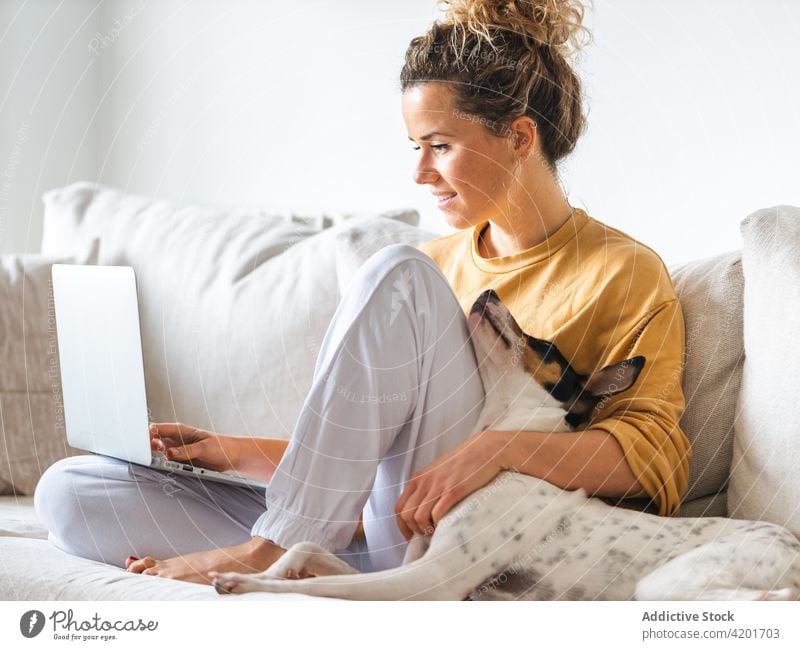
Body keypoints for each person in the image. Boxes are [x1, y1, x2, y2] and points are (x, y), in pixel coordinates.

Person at [34, 0, 691, 587]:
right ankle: (297, 552)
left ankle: (275, 550)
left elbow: (656, 458)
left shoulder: (619, 270)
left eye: (440, 145)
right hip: (373, 537)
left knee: (398, 273)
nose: (419, 173)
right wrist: (231, 450)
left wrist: (494, 450)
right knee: (70, 493)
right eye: (415, 147)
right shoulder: (441, 265)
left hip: (474, 534)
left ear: (520, 137)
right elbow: (367, 460)